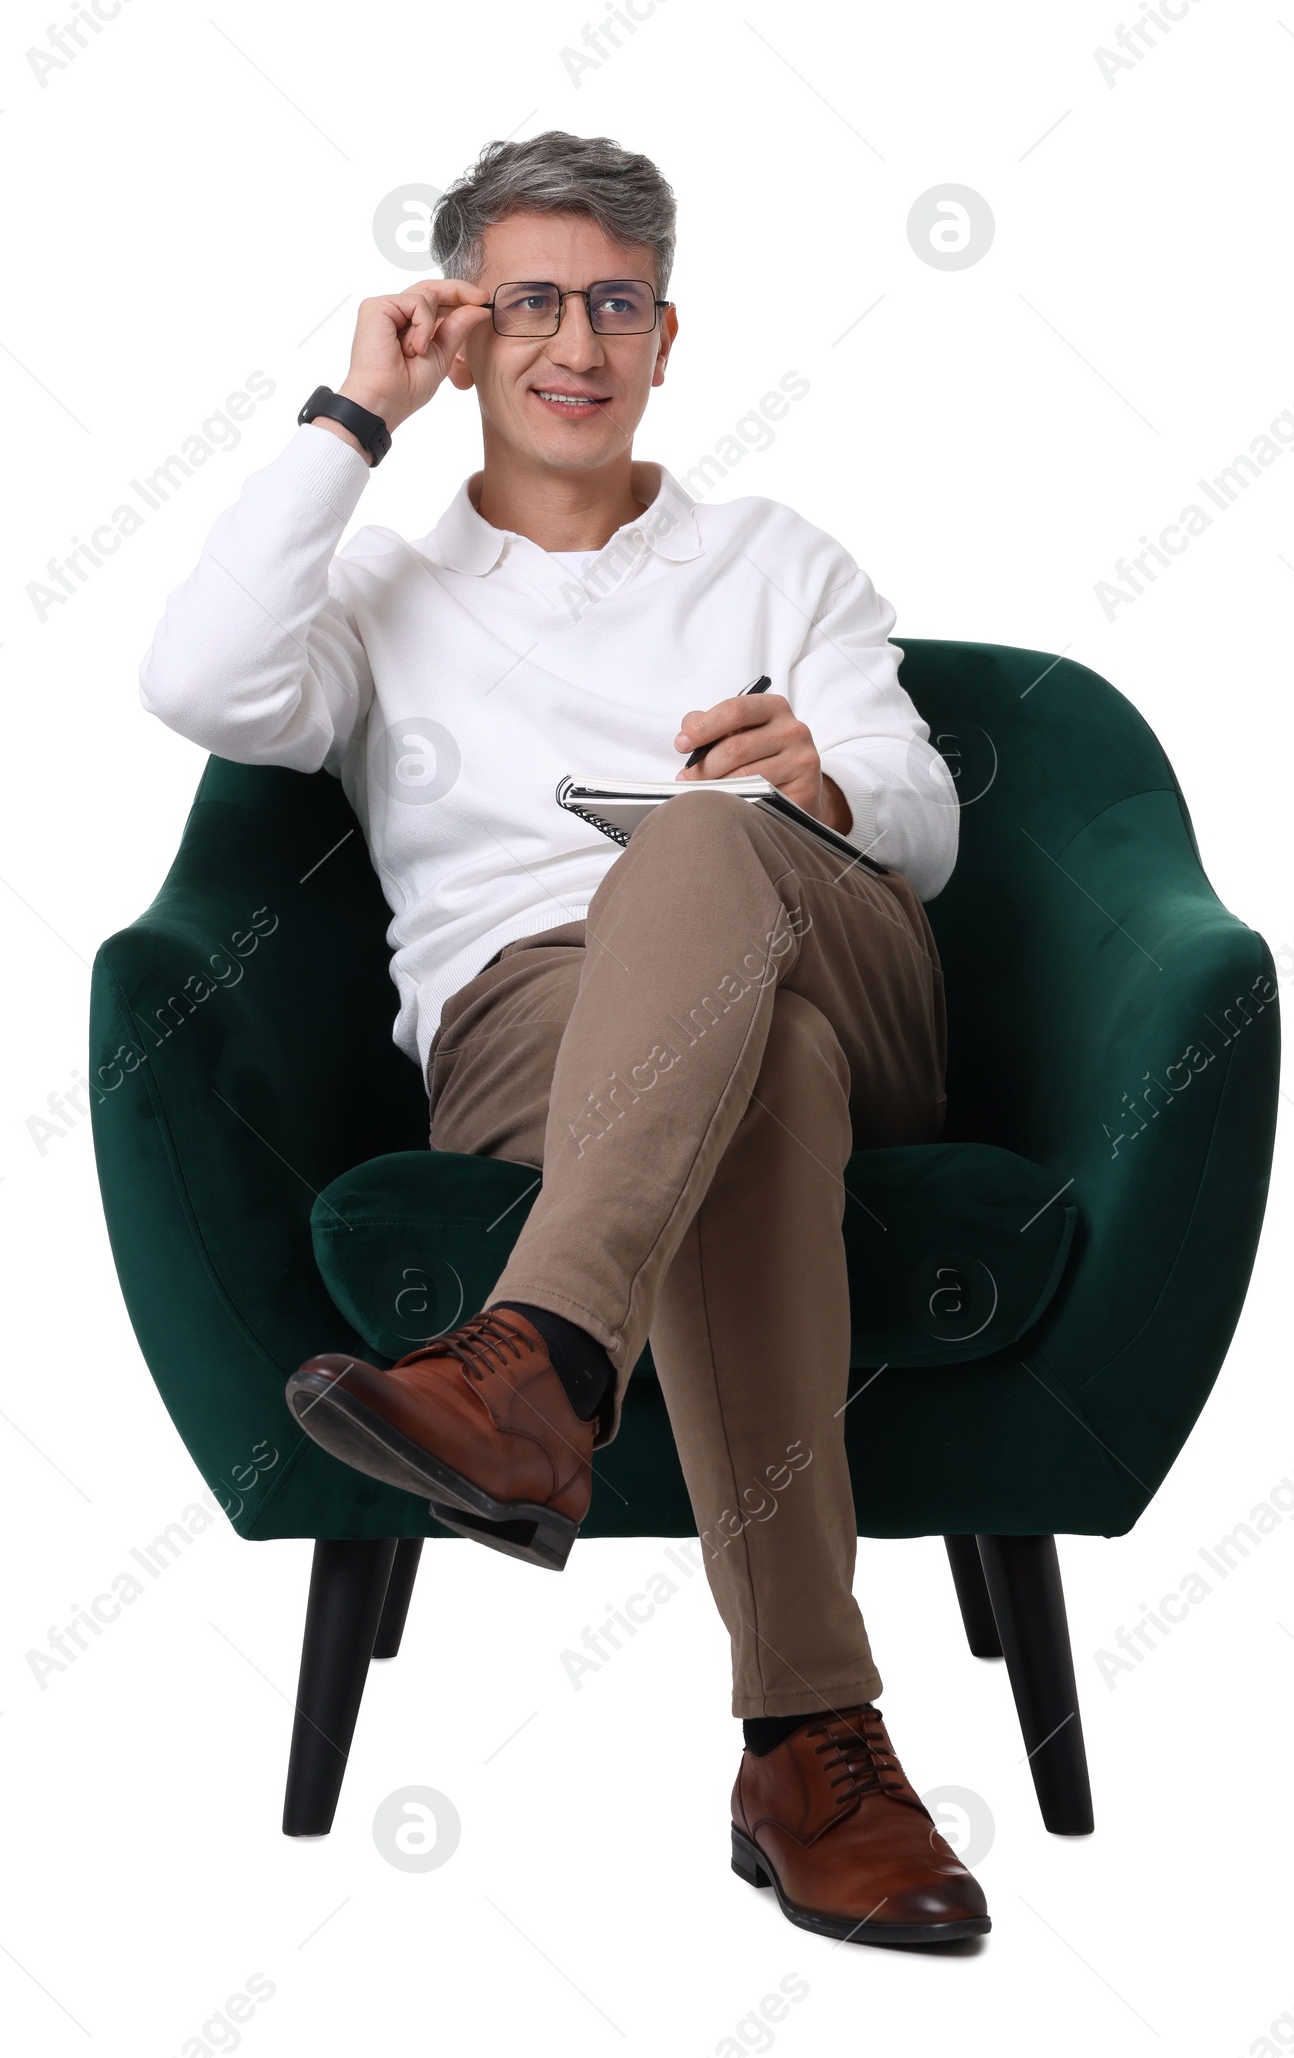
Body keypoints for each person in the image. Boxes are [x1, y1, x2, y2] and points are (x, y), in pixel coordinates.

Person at [139, 130, 987, 1945]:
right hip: (544, 1031)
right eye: (530, 302)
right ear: (461, 334)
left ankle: (530, 1365)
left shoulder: (778, 557)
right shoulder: (373, 599)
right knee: (753, 1094)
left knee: (706, 845)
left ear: (667, 338)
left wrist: (818, 782)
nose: (576, 345)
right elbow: (197, 682)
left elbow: (928, 822)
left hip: (837, 947)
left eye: (615, 303)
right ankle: (812, 1738)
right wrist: (346, 419)